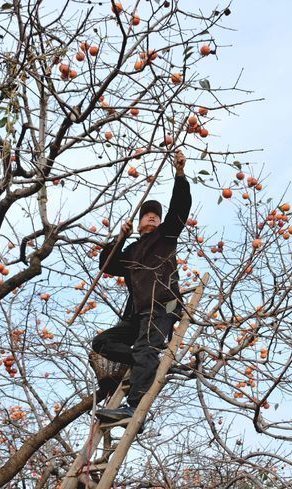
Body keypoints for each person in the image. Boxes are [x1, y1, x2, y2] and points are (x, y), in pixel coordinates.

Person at [91, 150, 191, 424]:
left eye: (155, 216)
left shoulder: (165, 237)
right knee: (102, 342)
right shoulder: (132, 250)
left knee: (147, 348)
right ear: (138, 224)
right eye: (146, 216)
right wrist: (118, 239)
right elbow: (107, 265)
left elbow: (180, 209)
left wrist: (180, 174)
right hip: (137, 315)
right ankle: (143, 361)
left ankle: (133, 407)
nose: (152, 218)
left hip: (162, 306)